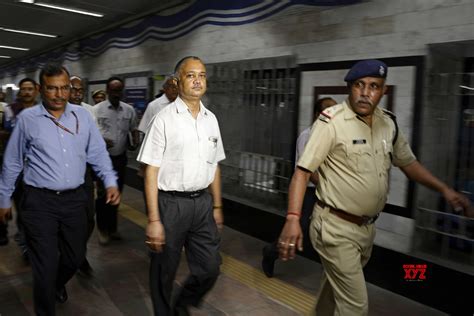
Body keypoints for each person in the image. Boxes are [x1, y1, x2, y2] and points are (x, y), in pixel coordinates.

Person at [277, 59, 472, 316]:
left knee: (333, 291)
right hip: (334, 227)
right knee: (355, 306)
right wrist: (292, 218)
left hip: (366, 228)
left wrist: (444, 189)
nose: (365, 92)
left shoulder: (388, 124)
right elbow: (302, 172)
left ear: (383, 91)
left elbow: (409, 163)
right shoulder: (331, 122)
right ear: (350, 87)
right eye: (359, 85)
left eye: (374, 86)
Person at [0, 63, 120, 316]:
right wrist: (3, 199)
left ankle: (56, 284)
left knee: (75, 257)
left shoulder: (83, 116)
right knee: (44, 264)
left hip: (75, 199)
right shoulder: (27, 119)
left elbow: (97, 152)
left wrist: (109, 180)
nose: (59, 95)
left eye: (64, 88)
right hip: (38, 201)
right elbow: (12, 161)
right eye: (53, 89)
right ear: (42, 89)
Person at [137, 56, 225, 316]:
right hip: (171, 204)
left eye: (202, 75)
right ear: (177, 81)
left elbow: (215, 165)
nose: (198, 80)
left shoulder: (211, 119)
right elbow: (150, 170)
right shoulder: (164, 119)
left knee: (210, 267)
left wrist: (217, 205)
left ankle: (182, 302)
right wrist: (154, 219)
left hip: (202, 204)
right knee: (164, 269)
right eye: (190, 75)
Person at [261, 97, 336, 277]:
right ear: (318, 114)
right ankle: (271, 252)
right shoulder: (307, 135)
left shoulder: (333, 135)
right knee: (299, 229)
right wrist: (329, 188)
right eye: (329, 111)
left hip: (327, 192)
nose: (334, 115)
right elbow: (308, 172)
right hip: (309, 191)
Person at [94, 77, 139, 244]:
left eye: (119, 91)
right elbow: (89, 133)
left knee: (116, 194)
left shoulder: (129, 110)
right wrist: (101, 141)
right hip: (102, 159)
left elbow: (133, 129)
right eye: (113, 91)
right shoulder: (96, 109)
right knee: (102, 195)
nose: (116, 94)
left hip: (120, 159)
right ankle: (102, 229)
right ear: (107, 91)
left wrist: (135, 142)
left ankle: (112, 229)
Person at [0, 78, 39, 251]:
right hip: (16, 167)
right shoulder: (10, 110)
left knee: (32, 207)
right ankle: (24, 242)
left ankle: (27, 239)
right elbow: (3, 131)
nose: (26, 92)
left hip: (37, 168)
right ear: (19, 91)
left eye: (30, 89)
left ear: (36, 91)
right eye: (23, 89)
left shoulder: (43, 110)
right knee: (20, 204)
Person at [69, 75, 97, 276]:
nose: (78, 93)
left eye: (80, 89)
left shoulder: (90, 111)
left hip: (84, 171)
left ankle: (78, 252)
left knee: (89, 219)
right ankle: (70, 259)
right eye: (73, 89)